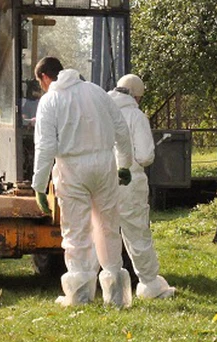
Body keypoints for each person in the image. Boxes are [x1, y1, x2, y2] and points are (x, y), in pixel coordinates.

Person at [32, 56, 135, 308]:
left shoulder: (50, 101)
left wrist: (39, 185)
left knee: (76, 231)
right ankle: (116, 296)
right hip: (104, 164)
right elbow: (121, 129)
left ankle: (79, 296)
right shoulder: (97, 92)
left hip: (71, 168)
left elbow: (46, 146)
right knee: (108, 226)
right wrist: (125, 164)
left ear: (45, 78)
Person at [108, 74, 176, 299]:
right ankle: (149, 284)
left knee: (104, 232)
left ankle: (104, 285)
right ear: (136, 97)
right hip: (129, 181)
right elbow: (145, 155)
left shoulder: (101, 111)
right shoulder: (136, 116)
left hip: (102, 180)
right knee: (136, 233)